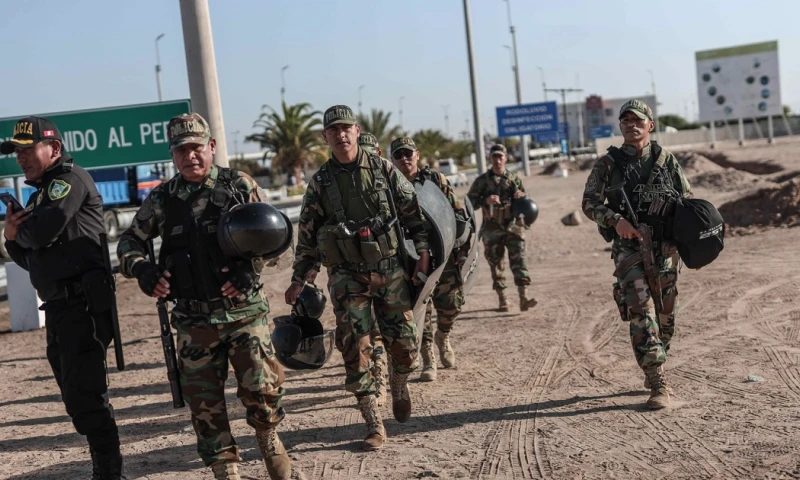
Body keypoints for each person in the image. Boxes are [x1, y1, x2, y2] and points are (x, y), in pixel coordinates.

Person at [117, 113, 302, 480]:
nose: (190, 156)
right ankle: (225, 470)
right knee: (205, 408)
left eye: (196, 147)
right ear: (172, 154)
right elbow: (128, 242)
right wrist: (142, 269)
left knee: (263, 392)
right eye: (181, 150)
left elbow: (280, 241)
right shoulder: (162, 199)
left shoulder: (239, 186)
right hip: (193, 321)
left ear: (212, 147)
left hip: (244, 313)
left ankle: (267, 438)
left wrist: (252, 267)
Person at [285, 105, 430, 451]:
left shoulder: (383, 169)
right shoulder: (320, 182)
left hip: (390, 271)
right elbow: (308, 234)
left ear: (356, 130)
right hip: (347, 277)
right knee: (355, 350)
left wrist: (423, 254)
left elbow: (412, 213)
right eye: (333, 130)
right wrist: (299, 278)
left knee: (406, 348)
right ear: (325, 137)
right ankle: (373, 421)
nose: (341, 134)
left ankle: (398, 382)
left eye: (345, 128)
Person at [1, 117, 124, 479]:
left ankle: (109, 472)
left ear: (54, 148)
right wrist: (12, 237)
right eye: (17, 151)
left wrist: (19, 234)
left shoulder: (67, 182)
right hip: (59, 306)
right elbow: (29, 257)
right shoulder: (40, 194)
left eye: (28, 149)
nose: (21, 158)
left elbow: (40, 235)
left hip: (83, 305)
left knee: (86, 395)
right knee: (75, 395)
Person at [581, 99, 693, 410]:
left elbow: (688, 198)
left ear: (650, 125)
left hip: (665, 249)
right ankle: (657, 379)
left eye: (638, 120)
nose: (632, 125)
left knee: (666, 317)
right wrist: (615, 220)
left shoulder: (666, 160)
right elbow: (589, 203)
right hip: (628, 249)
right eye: (626, 120)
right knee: (642, 312)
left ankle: (658, 355)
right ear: (620, 126)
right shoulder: (608, 164)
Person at [389, 137, 470, 382]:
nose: (404, 158)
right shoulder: (389, 186)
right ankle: (428, 358)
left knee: (452, 303)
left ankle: (443, 335)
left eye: (408, 153)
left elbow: (457, 213)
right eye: (399, 155)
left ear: (417, 155)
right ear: (392, 160)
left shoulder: (435, 180)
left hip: (442, 253)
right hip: (411, 255)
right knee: (420, 306)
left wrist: (462, 248)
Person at [467, 144, 537, 312]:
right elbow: (469, 202)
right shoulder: (482, 181)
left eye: (500, 157)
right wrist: (485, 200)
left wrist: (522, 196)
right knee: (496, 264)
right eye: (494, 157)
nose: (498, 160)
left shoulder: (513, 179)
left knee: (519, 261)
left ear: (505, 158)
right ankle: (503, 299)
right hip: (492, 229)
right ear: (490, 159)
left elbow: (525, 200)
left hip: (513, 227)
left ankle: (524, 298)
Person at [356, 131, 389, 404]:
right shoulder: (341, 185)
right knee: (366, 331)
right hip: (355, 271)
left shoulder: (389, 180)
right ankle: (378, 378)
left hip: (389, 269)